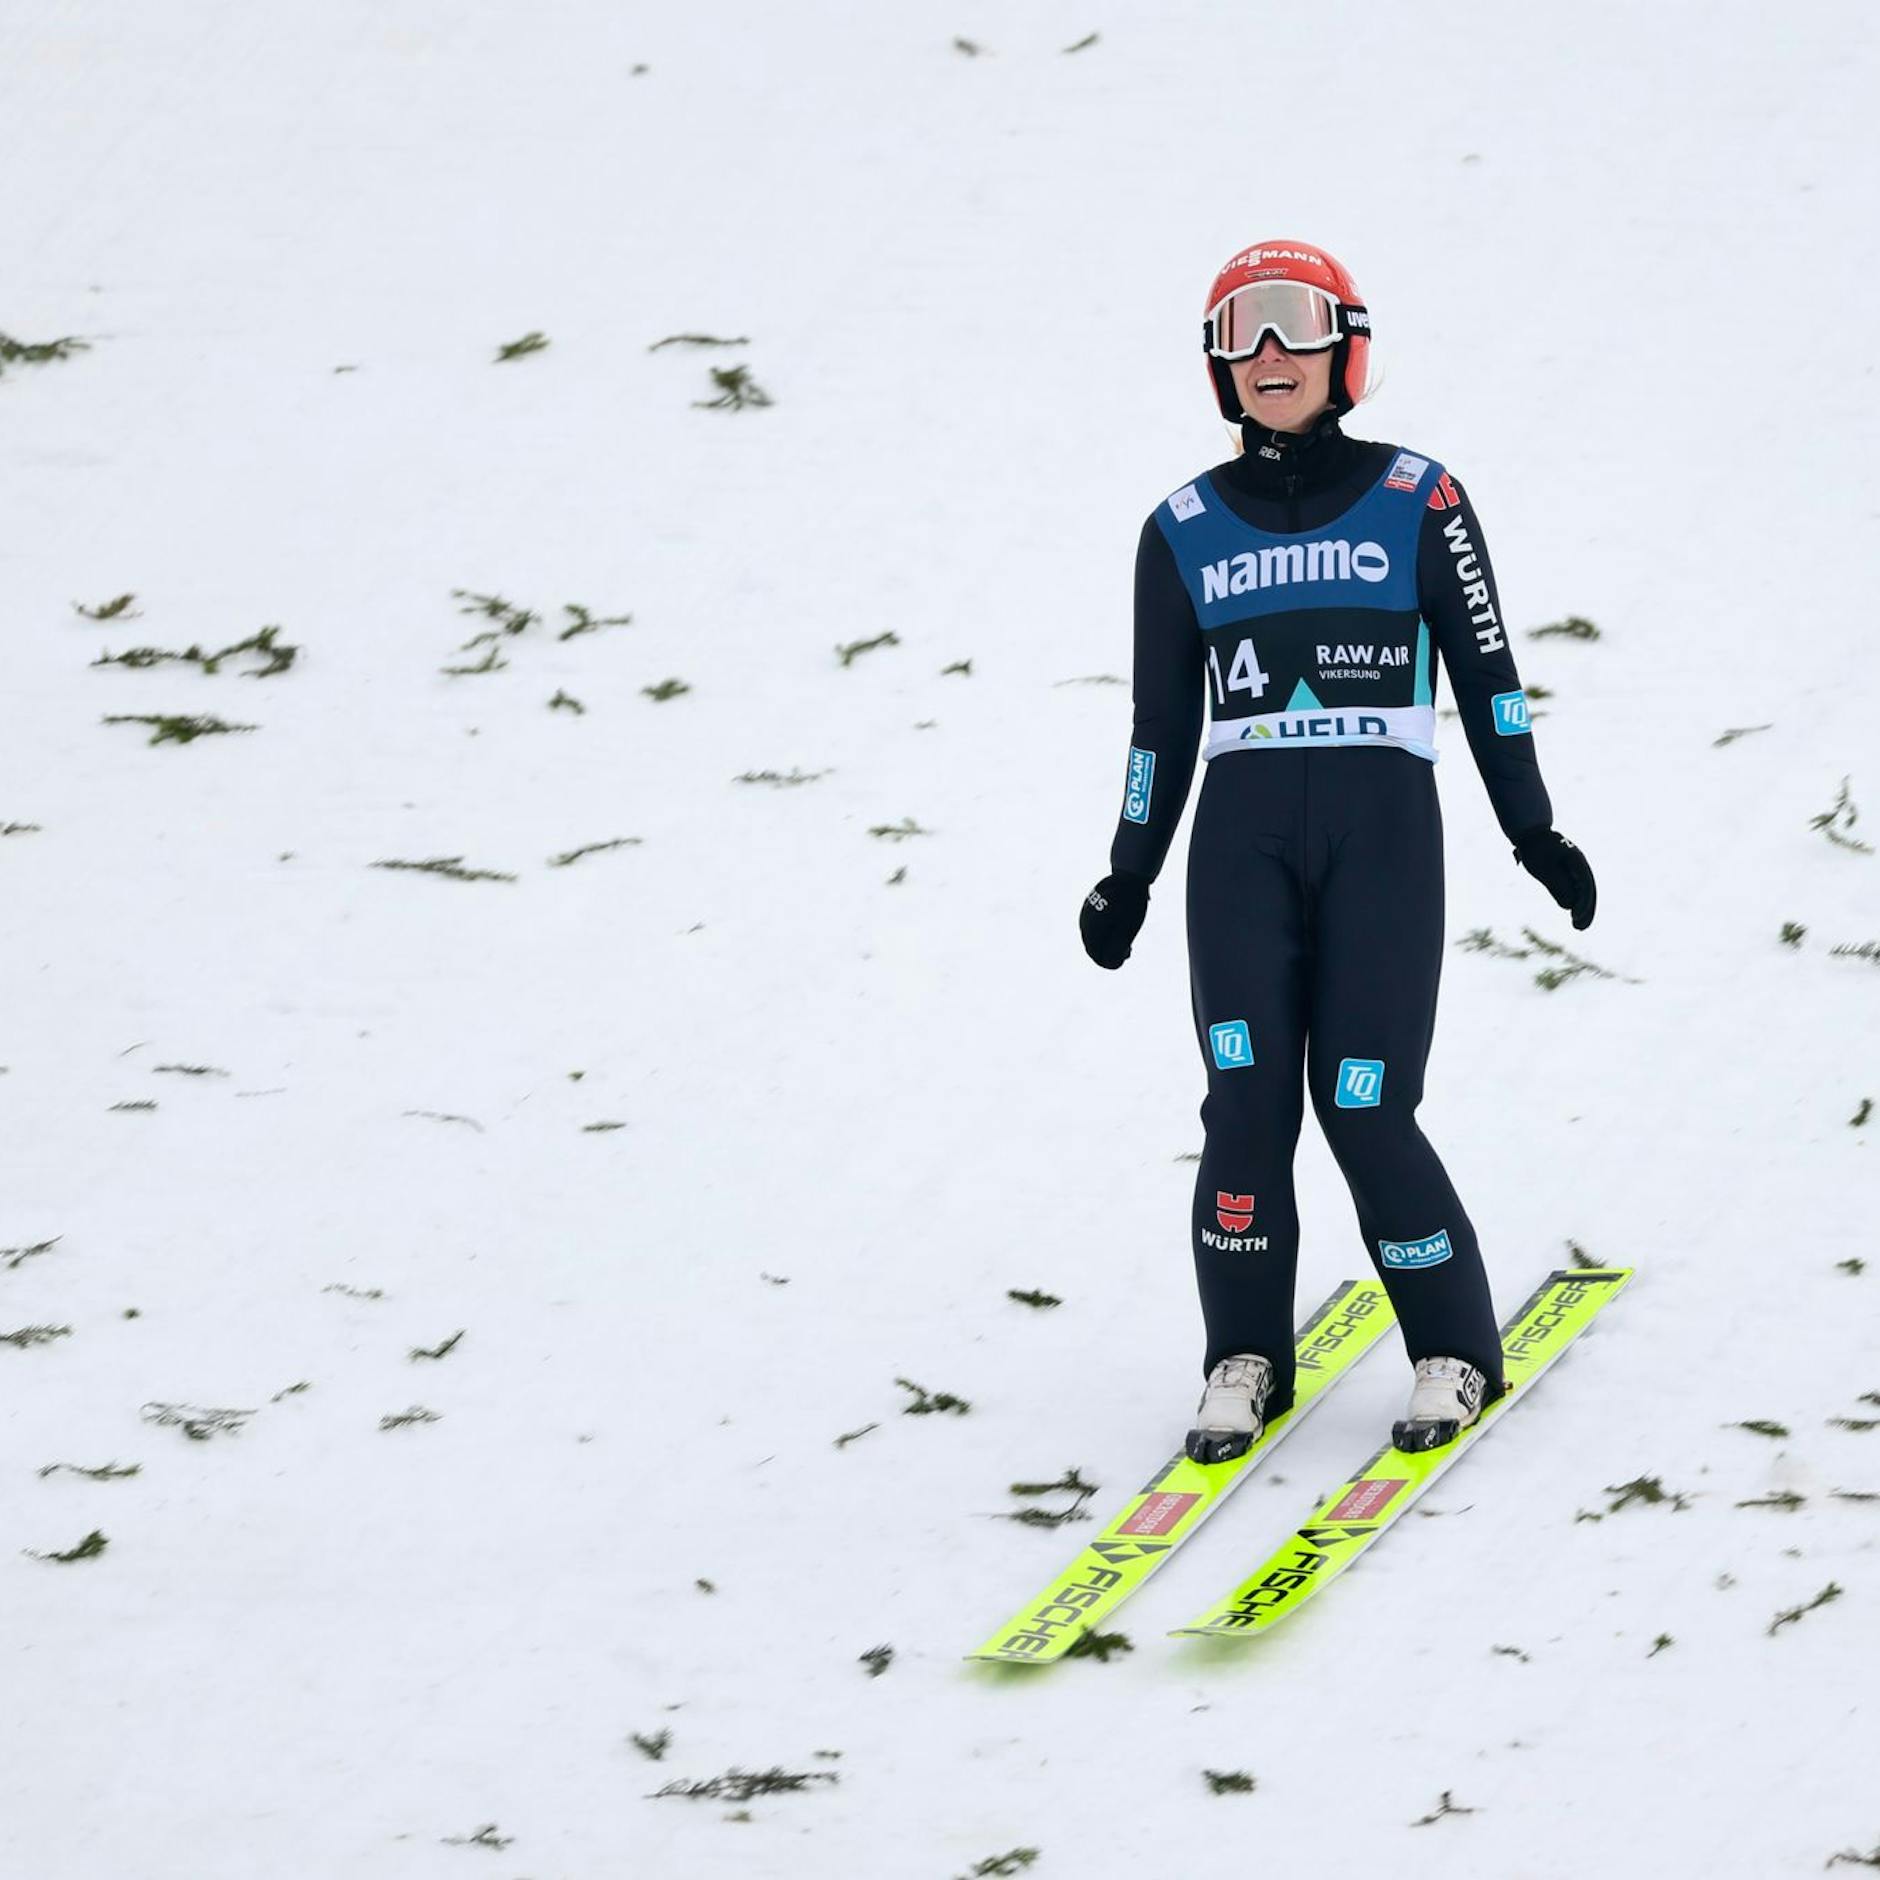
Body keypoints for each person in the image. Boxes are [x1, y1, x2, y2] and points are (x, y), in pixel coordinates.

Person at [1079, 239, 1596, 1461]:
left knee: (1362, 1104)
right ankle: (1241, 1355)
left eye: (1291, 327)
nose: (1266, 354)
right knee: (1244, 1110)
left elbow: (1488, 680)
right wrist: (1127, 872)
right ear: (1216, 363)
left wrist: (1532, 827)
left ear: (1341, 348)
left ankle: (1452, 1348)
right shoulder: (1180, 527)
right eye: (1239, 331)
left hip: (1381, 844)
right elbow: (1161, 728)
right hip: (1237, 851)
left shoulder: (1420, 496)